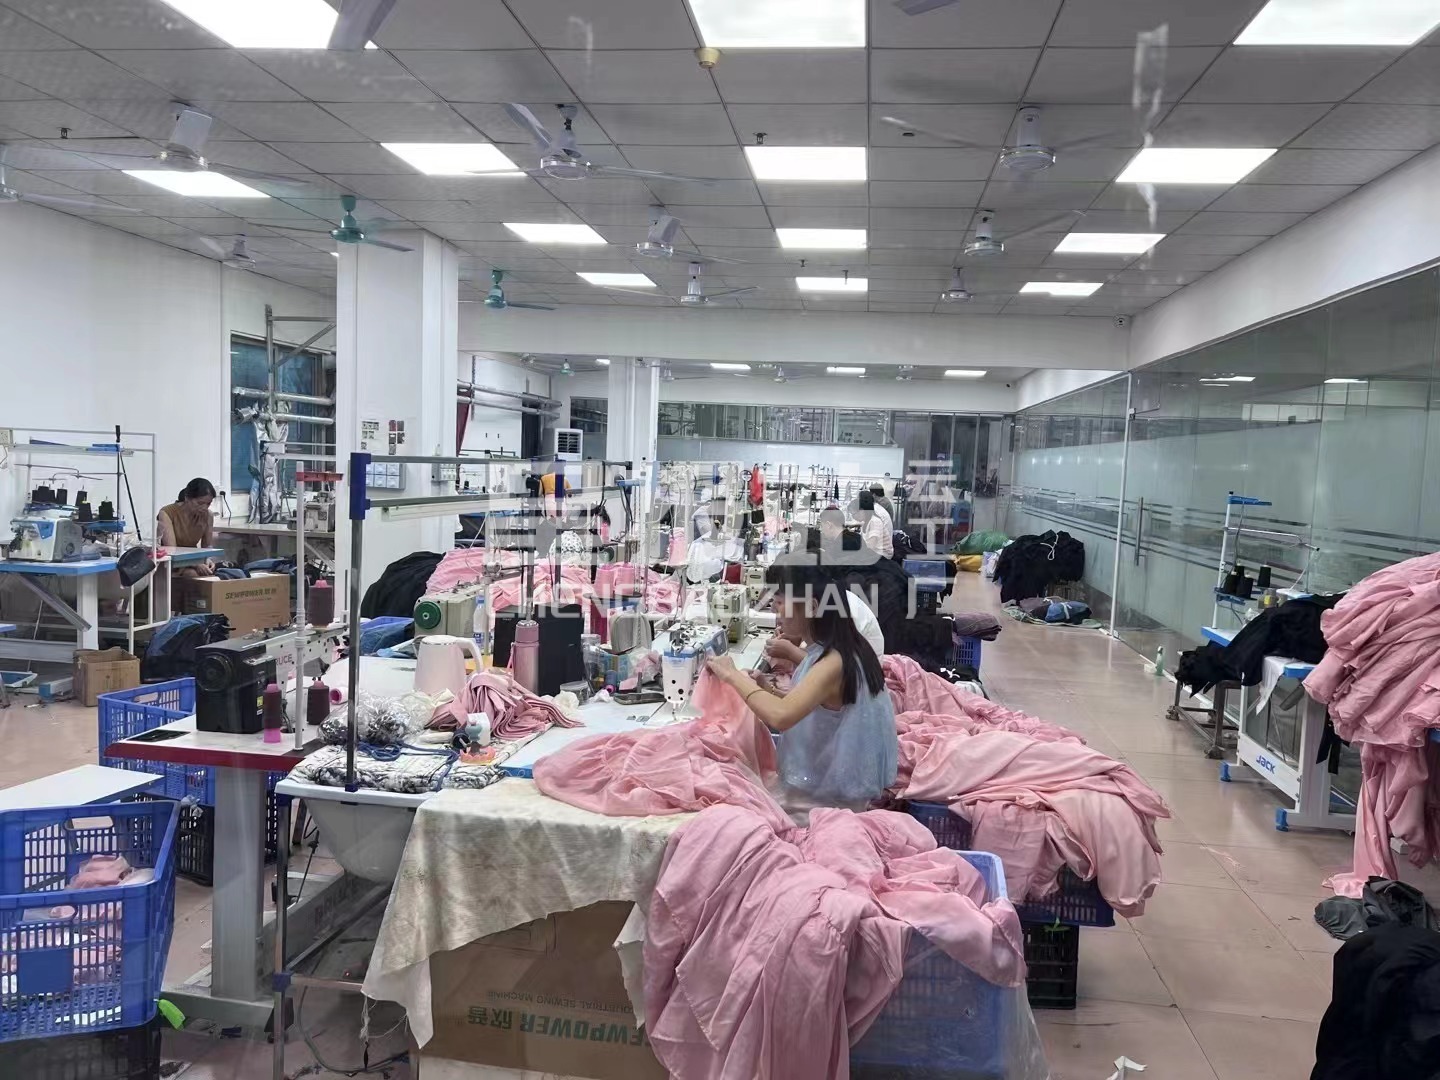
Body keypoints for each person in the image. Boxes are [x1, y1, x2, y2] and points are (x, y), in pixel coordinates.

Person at [707, 557, 897, 808]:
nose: (775, 612)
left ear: (812, 607)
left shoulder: (834, 662)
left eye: (780, 603)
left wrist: (732, 675)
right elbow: (816, 709)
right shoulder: (840, 649)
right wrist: (765, 688)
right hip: (829, 792)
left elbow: (781, 716)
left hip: (823, 805)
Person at [157, 478, 217, 573]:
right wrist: (196, 563)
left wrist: (208, 560)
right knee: (192, 574)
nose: (204, 508)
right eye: (200, 503)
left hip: (194, 561)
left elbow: (207, 547)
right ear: (187, 498)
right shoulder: (167, 513)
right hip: (170, 562)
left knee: (210, 573)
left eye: (208, 504)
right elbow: (172, 550)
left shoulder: (208, 515)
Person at [856, 491, 893, 559]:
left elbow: (871, 547)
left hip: (881, 555)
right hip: (876, 550)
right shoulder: (868, 517)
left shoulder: (875, 519)